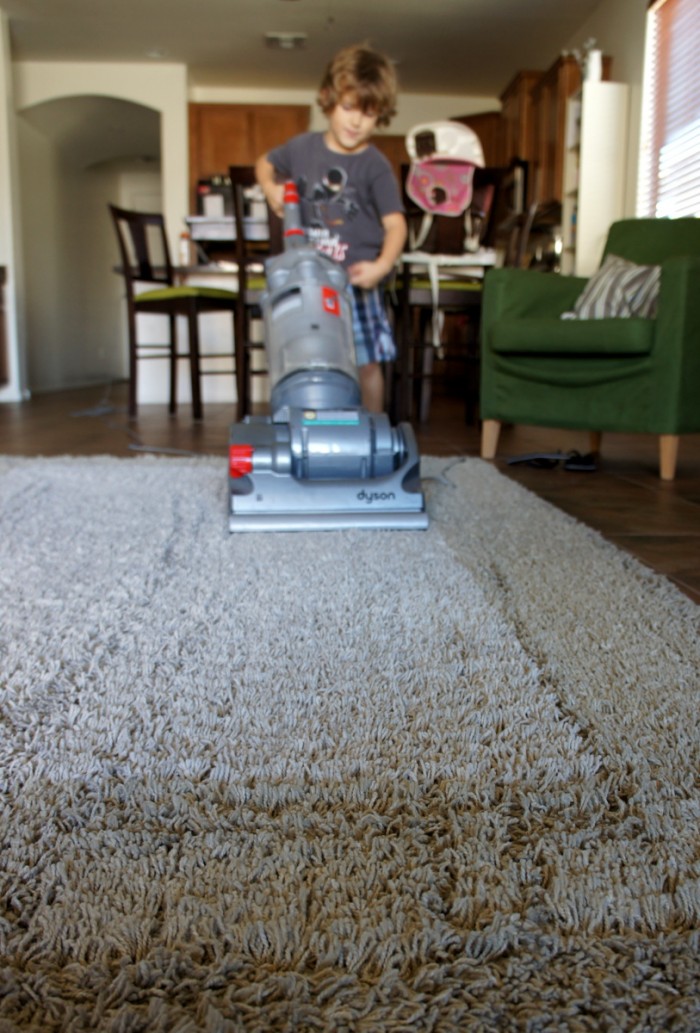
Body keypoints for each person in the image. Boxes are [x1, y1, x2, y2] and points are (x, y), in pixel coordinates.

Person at [255, 43, 407, 413]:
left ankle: (371, 434)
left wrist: (381, 267)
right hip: (307, 281)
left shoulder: (375, 166)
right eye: (349, 107)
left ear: (381, 116)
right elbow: (265, 162)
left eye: (368, 114)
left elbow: (396, 225)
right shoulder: (301, 148)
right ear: (328, 99)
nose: (356, 122)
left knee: (366, 363)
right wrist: (271, 187)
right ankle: (312, 430)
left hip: (354, 283)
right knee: (310, 360)